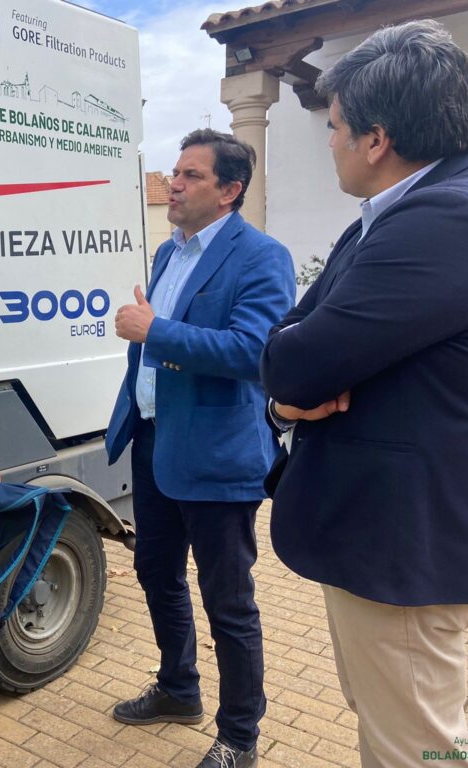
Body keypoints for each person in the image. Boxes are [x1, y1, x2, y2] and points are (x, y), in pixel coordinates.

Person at [260, 20, 468, 768]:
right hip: (386, 545)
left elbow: (291, 362)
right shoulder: (403, 213)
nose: (329, 141)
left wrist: (290, 384)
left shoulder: (445, 221)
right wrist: (289, 392)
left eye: (336, 126)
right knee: (392, 731)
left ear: (376, 139)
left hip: (405, 554)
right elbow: (289, 344)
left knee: (412, 750)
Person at [106, 129, 295, 768]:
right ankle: (178, 688)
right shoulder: (169, 252)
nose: (174, 184)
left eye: (191, 175)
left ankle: (239, 735)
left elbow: (256, 352)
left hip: (217, 454)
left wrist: (155, 330)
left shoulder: (261, 256)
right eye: (174, 172)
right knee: (155, 572)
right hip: (154, 441)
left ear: (229, 190)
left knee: (227, 601)